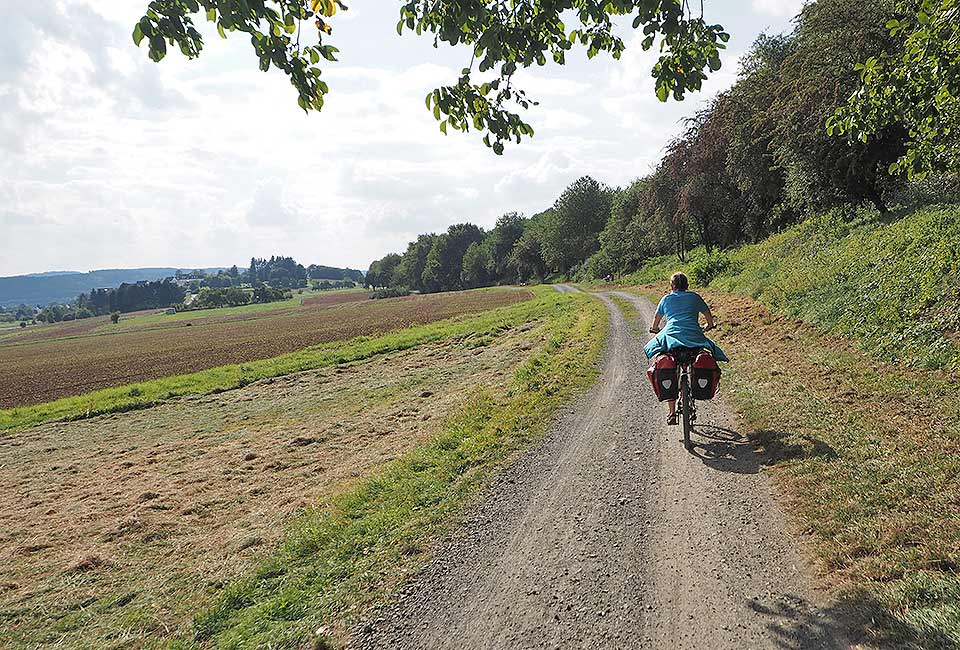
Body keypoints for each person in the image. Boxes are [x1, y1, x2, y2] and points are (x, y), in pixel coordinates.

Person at [644, 272, 728, 425]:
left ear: (672, 286)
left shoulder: (666, 299)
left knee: (668, 367)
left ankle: (671, 413)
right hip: (694, 338)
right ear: (687, 285)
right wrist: (709, 326)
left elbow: (656, 321)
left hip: (671, 338)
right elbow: (708, 317)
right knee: (701, 355)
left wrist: (655, 329)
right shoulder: (695, 297)